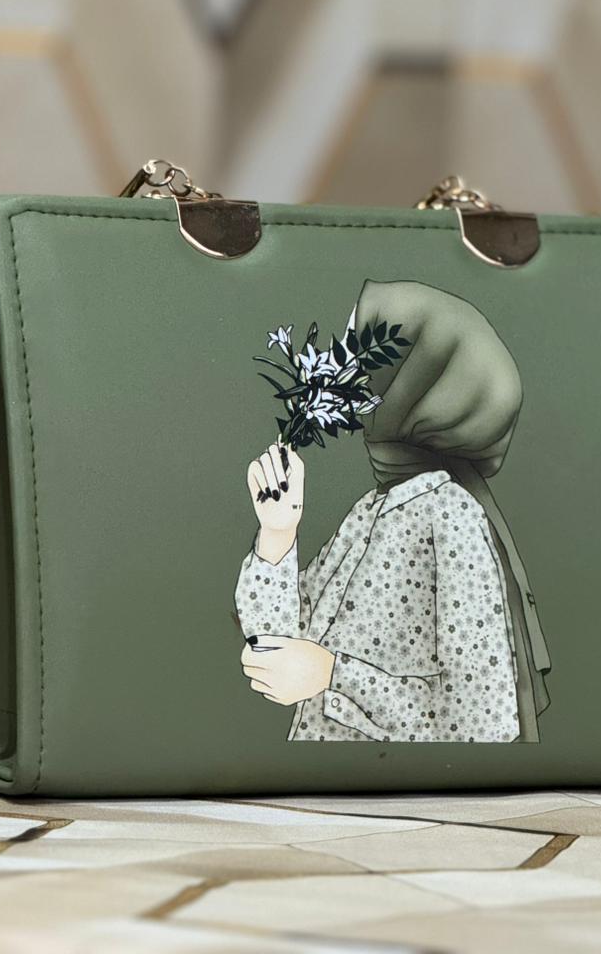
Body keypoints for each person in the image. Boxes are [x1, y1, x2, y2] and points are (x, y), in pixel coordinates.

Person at [235, 280, 551, 743]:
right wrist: (277, 535)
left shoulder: (451, 515)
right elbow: (286, 637)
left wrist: (332, 675)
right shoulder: (374, 507)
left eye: (360, 357)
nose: (338, 372)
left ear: (415, 380)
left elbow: (483, 721)